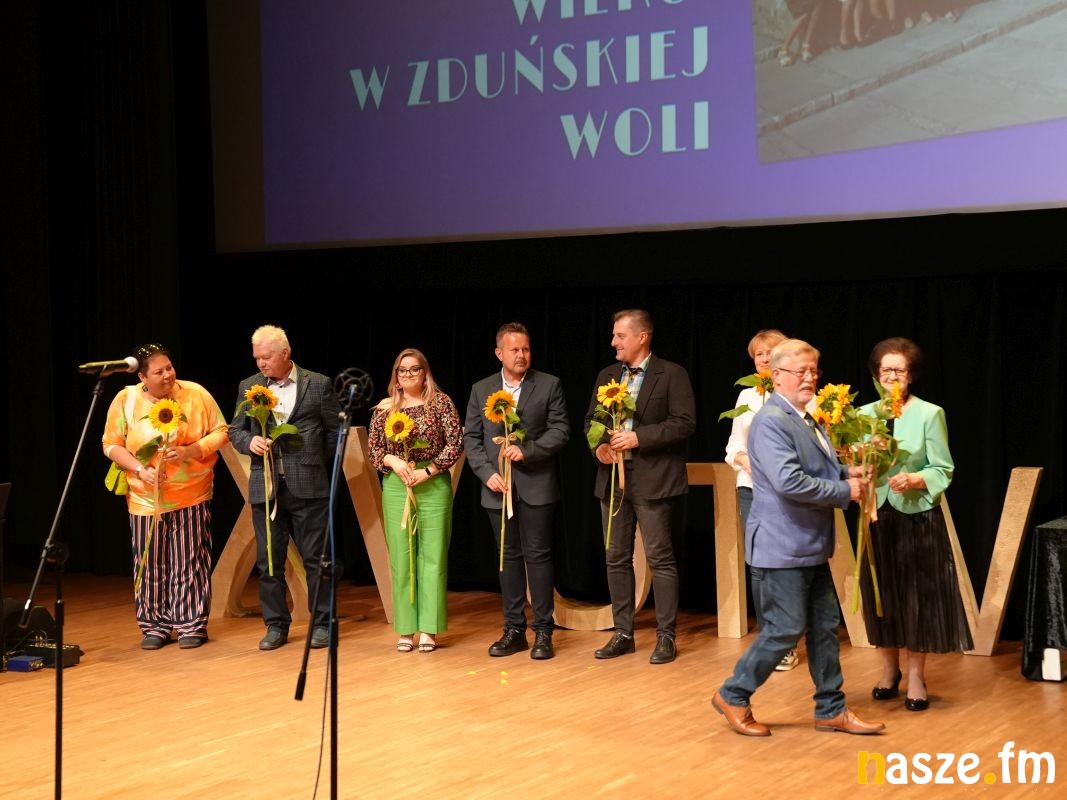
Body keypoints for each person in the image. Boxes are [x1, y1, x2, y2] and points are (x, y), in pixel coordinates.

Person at [713, 339, 885, 736]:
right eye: (800, 372)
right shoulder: (771, 420)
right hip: (781, 546)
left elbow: (817, 467)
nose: (810, 378)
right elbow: (789, 481)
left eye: (813, 371)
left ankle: (831, 709)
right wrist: (845, 491)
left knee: (824, 627)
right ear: (776, 376)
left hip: (808, 543)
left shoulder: (806, 418)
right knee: (784, 629)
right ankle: (733, 694)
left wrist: (848, 473)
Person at [861, 337, 972, 711]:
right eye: (886, 369)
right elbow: (852, 463)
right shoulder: (862, 414)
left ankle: (916, 677)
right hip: (876, 514)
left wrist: (916, 478)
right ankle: (888, 671)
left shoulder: (929, 413)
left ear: (911, 375)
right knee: (882, 596)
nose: (892, 376)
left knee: (916, 598)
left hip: (917, 516)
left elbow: (943, 468)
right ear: (876, 374)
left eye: (900, 370)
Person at [584, 309, 695, 664]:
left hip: (654, 478)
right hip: (612, 481)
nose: (613, 342)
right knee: (616, 557)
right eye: (614, 335)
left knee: (660, 558)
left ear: (642, 337)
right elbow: (591, 422)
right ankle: (623, 634)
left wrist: (638, 437)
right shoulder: (607, 375)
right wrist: (599, 447)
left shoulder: (672, 374)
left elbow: (684, 423)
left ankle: (666, 636)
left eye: (620, 336)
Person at [102, 343, 228, 650]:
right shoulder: (126, 400)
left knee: (190, 560)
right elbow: (111, 444)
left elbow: (222, 431)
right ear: (143, 377)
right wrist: (140, 469)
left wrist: (190, 450)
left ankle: (190, 624)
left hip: (191, 492)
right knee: (149, 561)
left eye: (169, 368)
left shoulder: (195, 394)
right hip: (145, 498)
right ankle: (154, 625)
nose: (168, 375)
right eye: (159, 372)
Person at [229, 325, 341, 652]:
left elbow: (335, 432)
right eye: (257, 358)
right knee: (269, 561)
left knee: (315, 559)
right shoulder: (249, 386)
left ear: (285, 353)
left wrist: (312, 460)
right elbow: (235, 431)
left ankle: (322, 623)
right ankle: (276, 624)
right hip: (266, 486)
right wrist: (250, 441)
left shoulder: (317, 384)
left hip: (308, 486)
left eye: (266, 357)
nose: (261, 363)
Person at [464, 323, 570, 660]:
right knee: (506, 558)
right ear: (500, 353)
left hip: (536, 485)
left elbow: (560, 430)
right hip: (498, 488)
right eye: (514, 350)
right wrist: (487, 474)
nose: (521, 355)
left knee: (538, 556)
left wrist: (529, 451)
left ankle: (543, 631)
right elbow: (472, 438)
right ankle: (513, 630)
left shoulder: (549, 384)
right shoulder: (482, 389)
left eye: (525, 349)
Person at [369, 348, 463, 653]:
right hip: (397, 485)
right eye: (403, 370)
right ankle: (406, 628)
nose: (408, 374)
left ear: (425, 373)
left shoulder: (441, 403)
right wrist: (394, 461)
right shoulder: (385, 408)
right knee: (402, 556)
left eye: (414, 369)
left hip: (432, 483)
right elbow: (374, 450)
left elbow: (455, 442)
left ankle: (429, 629)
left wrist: (430, 470)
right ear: (396, 377)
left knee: (432, 556)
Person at [725, 328, 801, 672]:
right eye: (759, 354)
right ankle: (769, 638)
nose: (765, 358)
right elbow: (733, 447)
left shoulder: (799, 394)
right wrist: (748, 462)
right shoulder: (746, 396)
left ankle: (787, 641)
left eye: (771, 352)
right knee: (758, 565)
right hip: (752, 489)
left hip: (789, 491)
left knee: (787, 564)